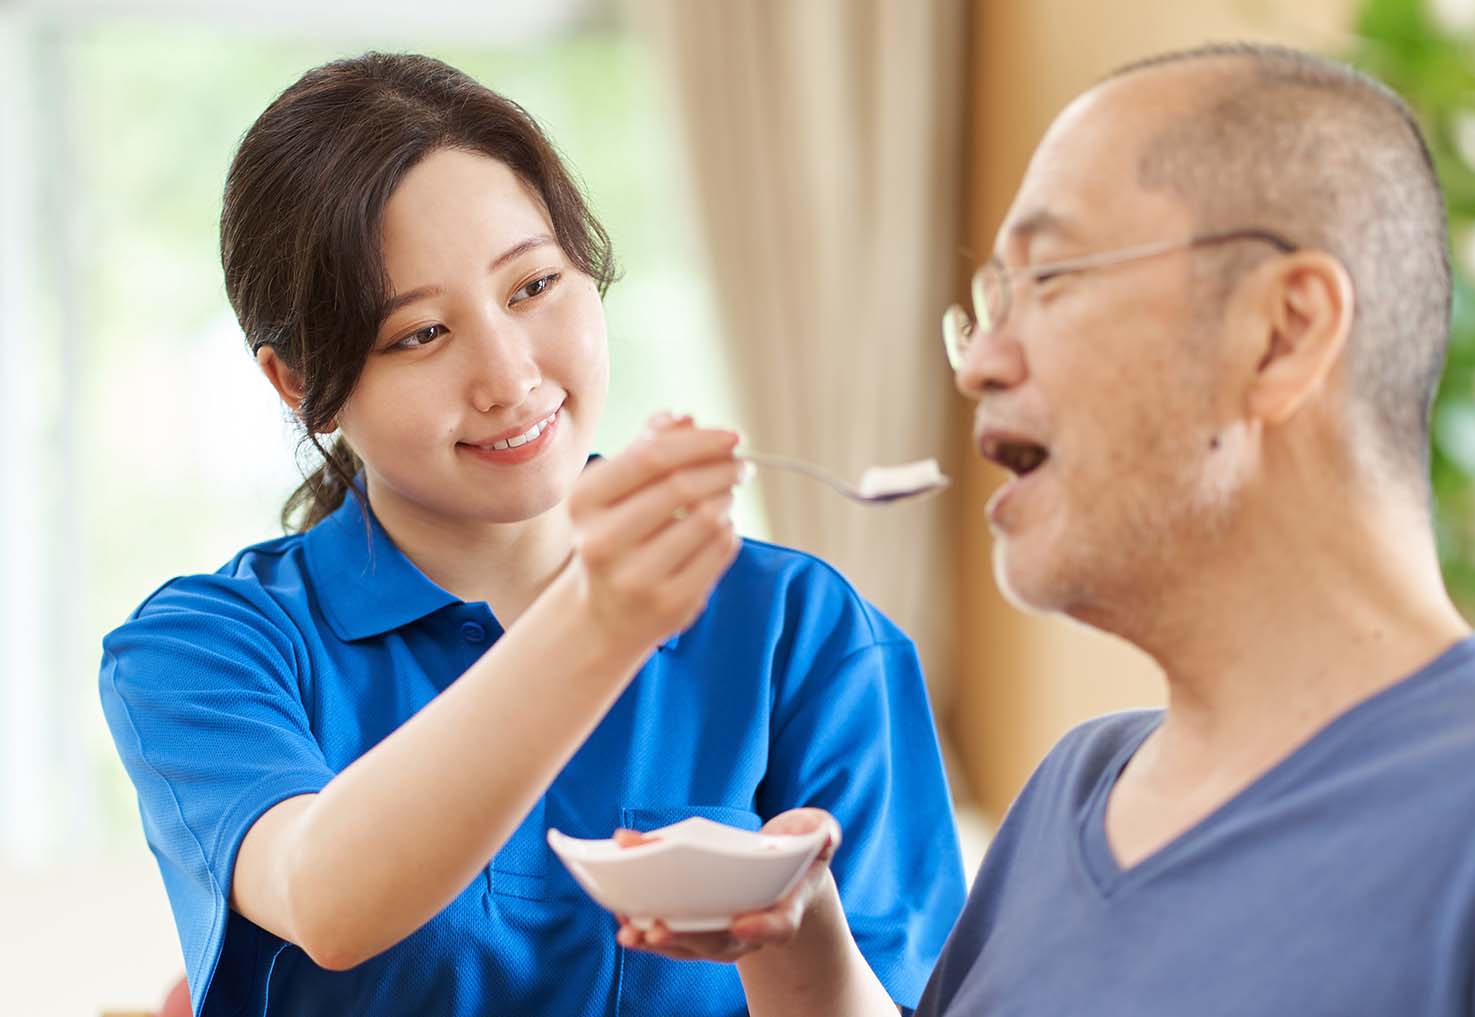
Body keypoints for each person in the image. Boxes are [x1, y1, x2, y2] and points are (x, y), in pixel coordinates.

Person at [617, 42, 1475, 1016]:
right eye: (987, 301)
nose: (980, 363)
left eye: (1049, 277)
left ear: (1280, 333)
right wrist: (798, 946)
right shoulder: (1073, 792)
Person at [96, 52, 964, 1017]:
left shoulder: (803, 630)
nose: (508, 377)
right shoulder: (202, 650)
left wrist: (796, 937)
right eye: (420, 335)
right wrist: (600, 620)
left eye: (533, 286)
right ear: (301, 384)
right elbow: (324, 898)